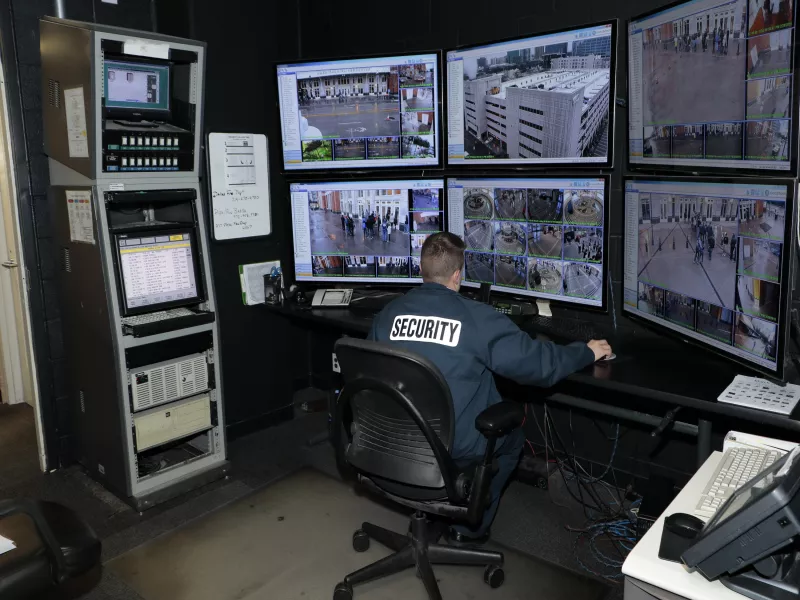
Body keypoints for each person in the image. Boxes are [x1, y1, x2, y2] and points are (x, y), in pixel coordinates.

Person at [369, 233, 611, 542]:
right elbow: (538, 366)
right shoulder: (478, 319)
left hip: (394, 436)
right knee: (512, 442)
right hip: (452, 443)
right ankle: (468, 526)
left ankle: (437, 503)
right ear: (458, 275)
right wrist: (586, 351)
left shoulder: (387, 315)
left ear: (421, 270)